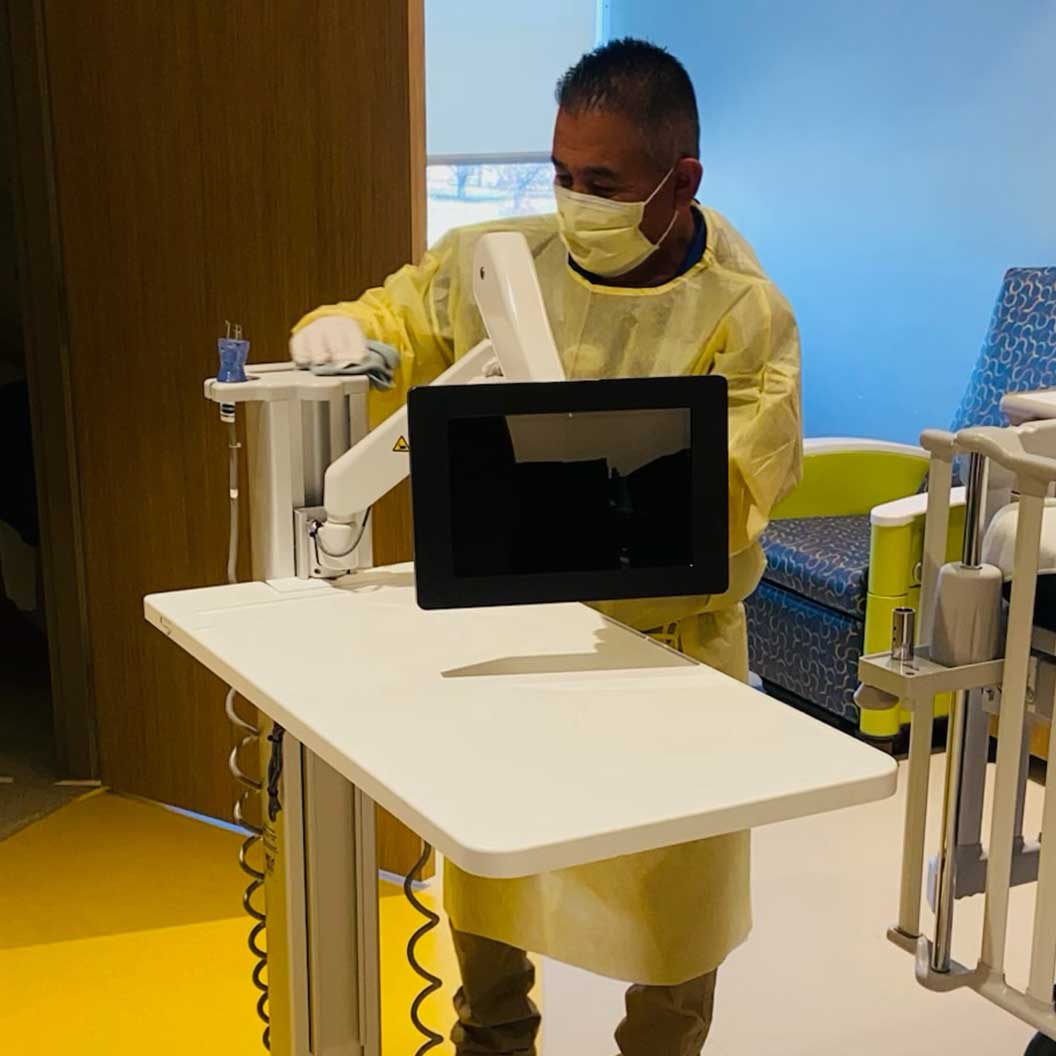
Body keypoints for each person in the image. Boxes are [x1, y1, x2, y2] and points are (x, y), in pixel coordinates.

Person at [291, 37, 801, 1056]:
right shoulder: (500, 262)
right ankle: (493, 1036)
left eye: (601, 184)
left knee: (675, 902)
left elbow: (722, 500)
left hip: (669, 655)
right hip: (516, 642)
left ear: (681, 180)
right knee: (494, 873)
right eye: (561, 173)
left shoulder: (745, 317)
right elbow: (400, 316)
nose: (574, 202)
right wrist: (343, 331)